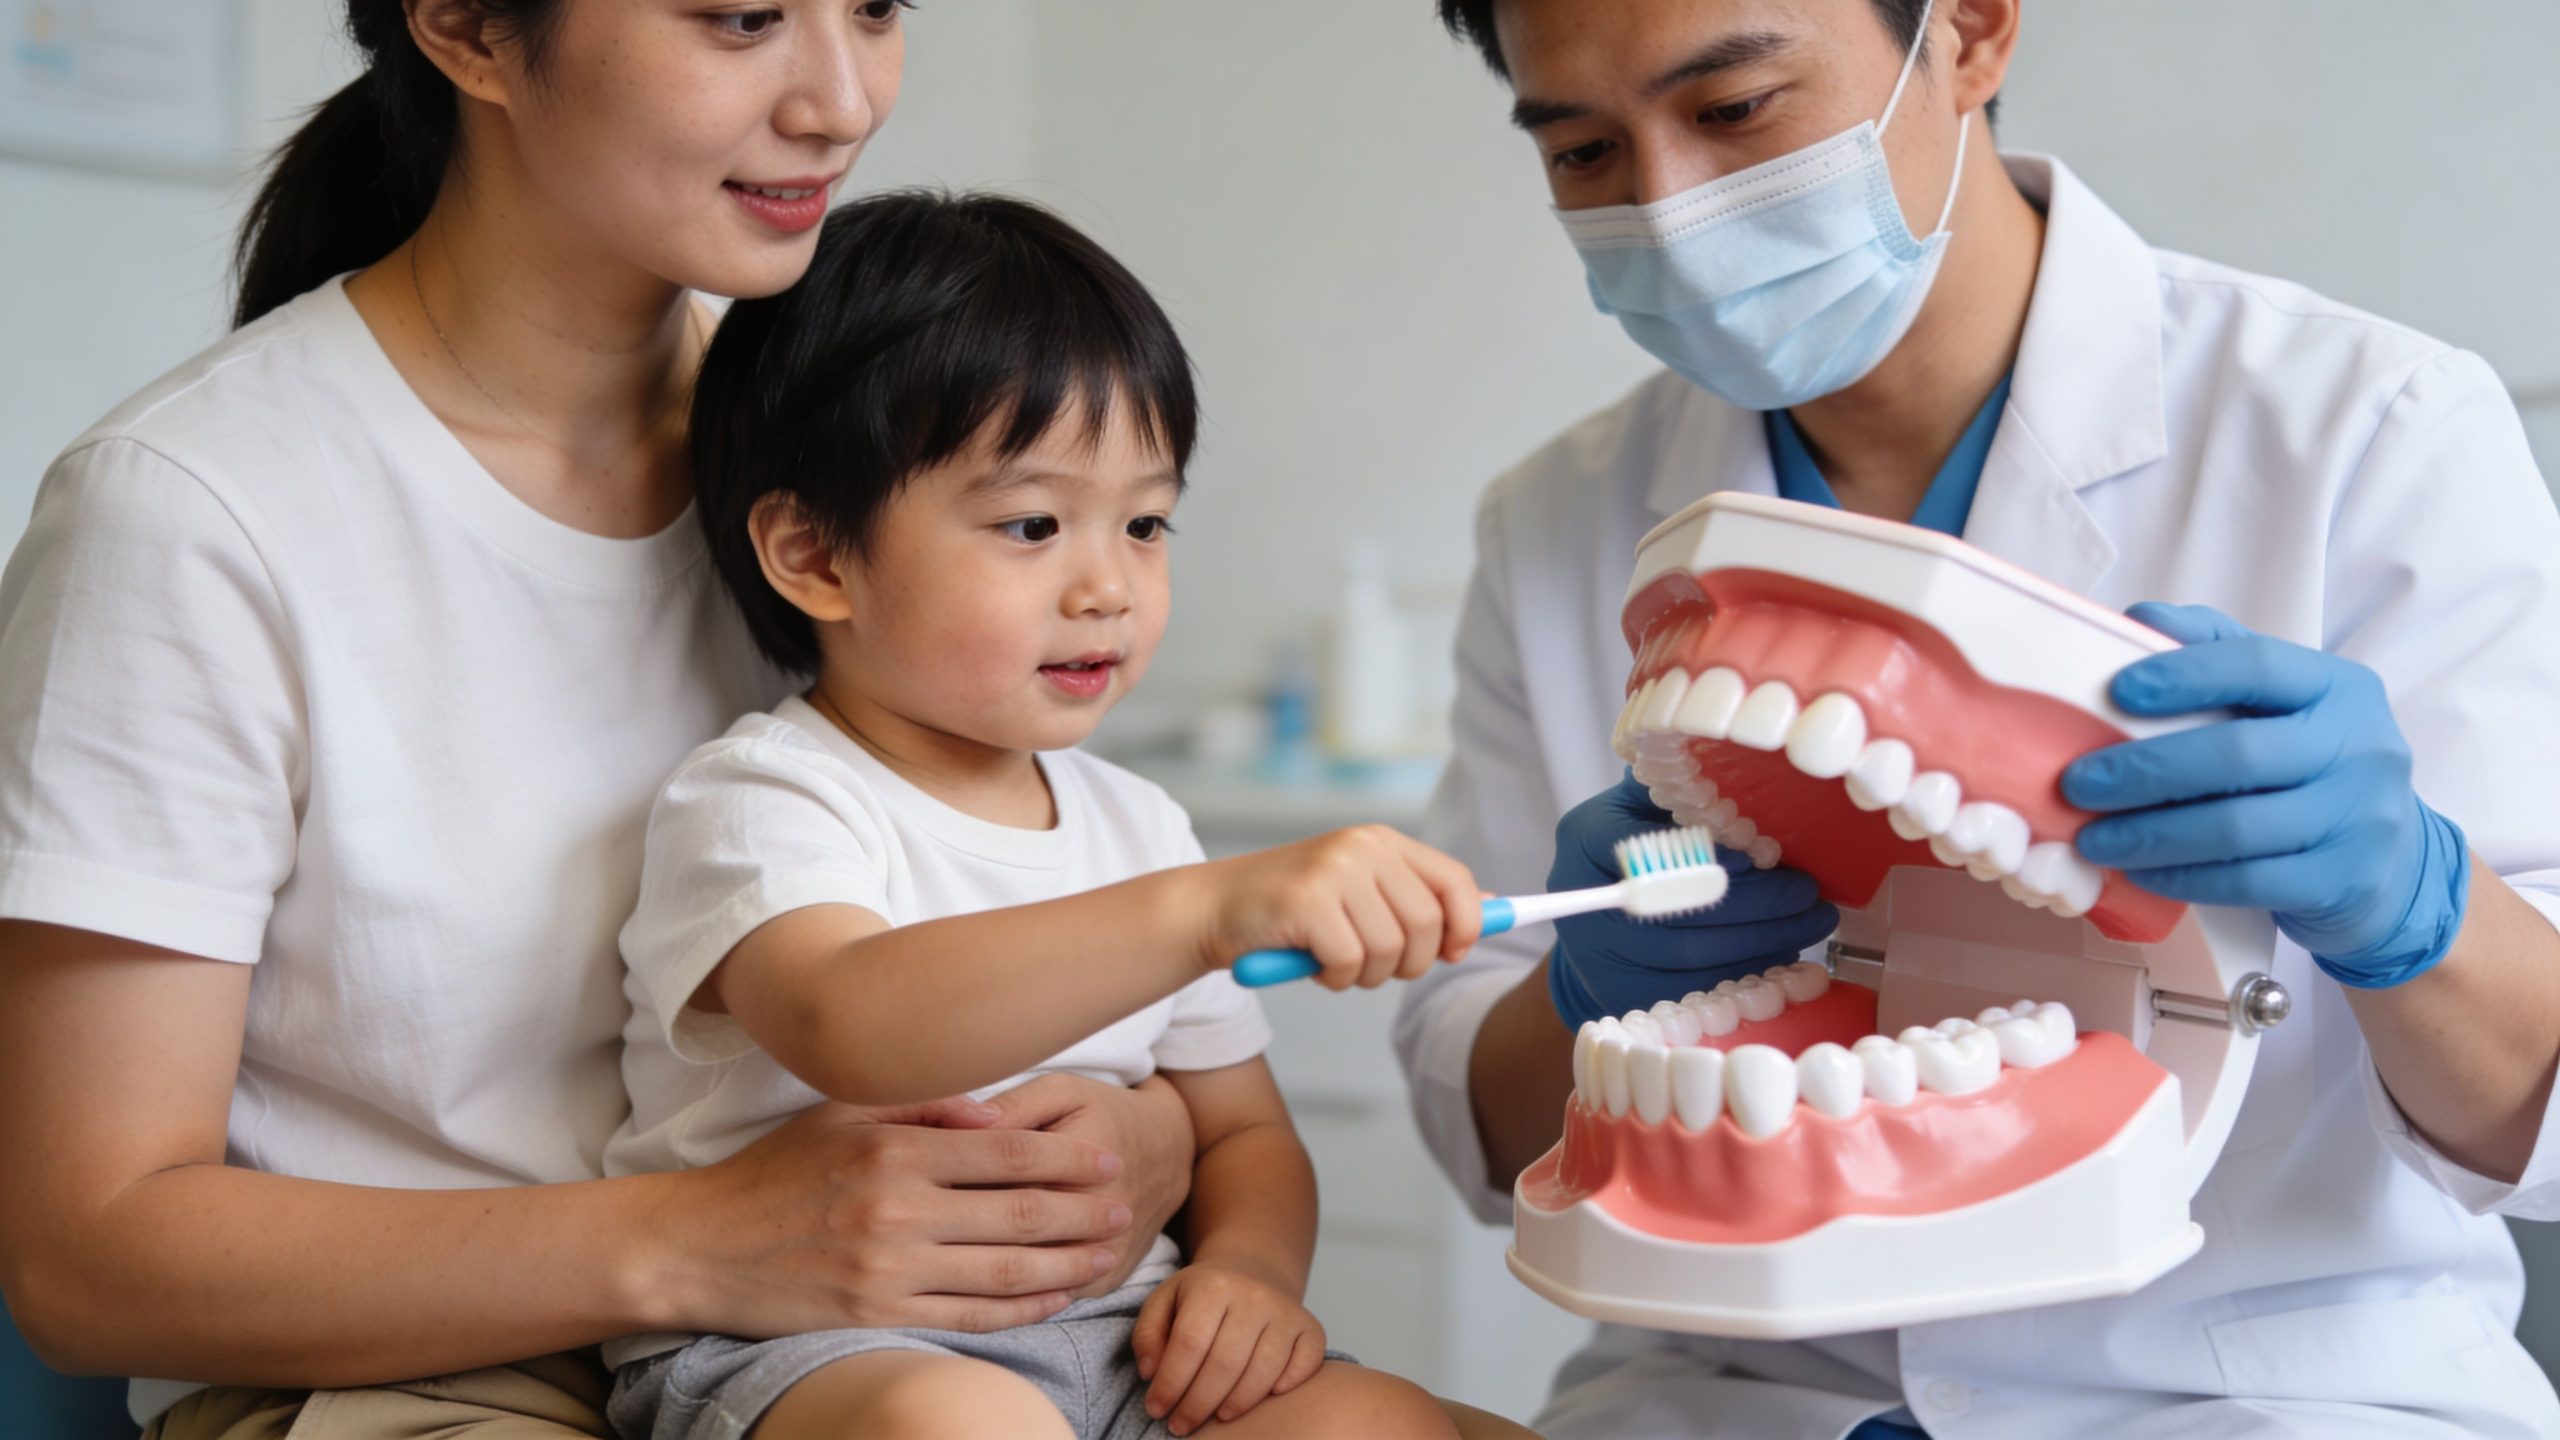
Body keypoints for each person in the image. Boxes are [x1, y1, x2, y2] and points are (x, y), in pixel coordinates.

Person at [0, 4, 1203, 1435]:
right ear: (467, 29)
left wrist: (1148, 1141)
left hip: (895, 1337)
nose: (840, 101)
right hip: (412, 1382)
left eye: (876, 8)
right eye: (745, 16)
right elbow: (87, 1260)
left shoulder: (866, 463)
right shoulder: (194, 512)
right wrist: (709, 1238)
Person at [1395, 0, 2560, 1435]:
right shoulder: (1557, 519)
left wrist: (2416, 906)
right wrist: (1577, 985)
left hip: (2260, 1398)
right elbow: (1492, 1137)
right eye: (1582, 150)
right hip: (1730, 1403)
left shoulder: (2368, 429)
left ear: (1976, 33)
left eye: (1739, 108)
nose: (1668, 212)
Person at [601, 190, 1502, 1440]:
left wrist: (1245, 1275)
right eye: (1031, 525)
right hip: (814, 1347)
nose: (1107, 587)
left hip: (1121, 1337)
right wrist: (1202, 911)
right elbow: (853, 1019)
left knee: (1375, 1425)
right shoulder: (764, 798)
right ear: (814, 557)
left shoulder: (1136, 822)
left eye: (1144, 523)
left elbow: (1242, 1133)